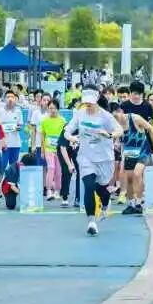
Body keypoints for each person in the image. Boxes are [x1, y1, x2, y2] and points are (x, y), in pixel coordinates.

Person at [64, 88, 123, 236]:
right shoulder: (80, 114)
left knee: (101, 188)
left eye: (90, 102)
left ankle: (105, 202)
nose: (88, 105)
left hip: (104, 158)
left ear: (96, 100)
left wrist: (109, 135)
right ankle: (91, 222)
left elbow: (120, 130)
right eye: (86, 102)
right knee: (89, 186)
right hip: (86, 157)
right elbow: (67, 130)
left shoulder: (105, 116)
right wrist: (71, 137)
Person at [116, 102, 153, 215]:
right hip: (129, 152)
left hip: (143, 150)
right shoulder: (114, 124)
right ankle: (131, 204)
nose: (116, 119)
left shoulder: (135, 118)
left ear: (121, 112)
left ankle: (139, 203)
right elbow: (117, 137)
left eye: (116, 115)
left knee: (137, 174)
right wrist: (116, 142)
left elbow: (150, 128)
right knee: (130, 179)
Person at [38, 100, 66, 201]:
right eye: (50, 108)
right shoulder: (44, 121)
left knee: (58, 171)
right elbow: (42, 136)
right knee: (51, 168)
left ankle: (57, 191)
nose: (52, 110)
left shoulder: (62, 121)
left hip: (59, 150)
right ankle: (49, 190)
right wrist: (42, 151)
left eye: (54, 108)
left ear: (58, 109)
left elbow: (65, 136)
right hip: (48, 149)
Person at [0, 89, 25, 169]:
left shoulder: (18, 111)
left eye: (12, 97)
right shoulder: (0, 111)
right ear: (4, 99)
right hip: (4, 143)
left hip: (15, 143)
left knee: (14, 167)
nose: (10, 99)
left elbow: (20, 126)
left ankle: (12, 177)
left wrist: (18, 128)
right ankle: (0, 177)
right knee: (2, 165)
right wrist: (1, 142)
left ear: (15, 99)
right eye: (8, 97)